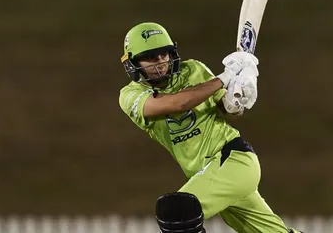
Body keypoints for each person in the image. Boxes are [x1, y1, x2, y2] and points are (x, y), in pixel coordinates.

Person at [118, 22, 302, 233]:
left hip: (233, 159)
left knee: (177, 212)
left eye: (164, 55)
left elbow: (227, 108)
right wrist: (225, 78)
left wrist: (235, 101)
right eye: (151, 57)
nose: (160, 62)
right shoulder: (130, 96)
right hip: (209, 174)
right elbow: (176, 104)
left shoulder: (194, 69)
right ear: (132, 62)